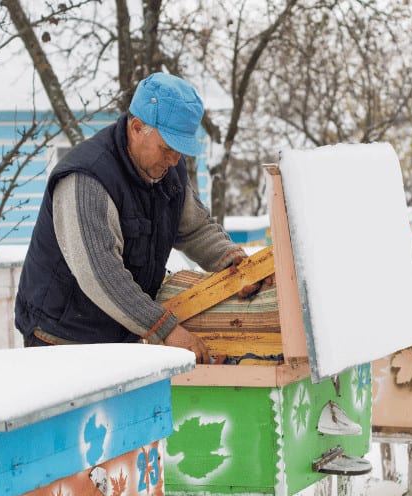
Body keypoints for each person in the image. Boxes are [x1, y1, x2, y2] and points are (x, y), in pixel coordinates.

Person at [14, 72, 260, 363]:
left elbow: (194, 229)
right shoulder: (87, 179)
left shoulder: (169, 170)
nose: (174, 160)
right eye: (167, 148)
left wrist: (233, 262)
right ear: (136, 127)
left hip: (121, 335)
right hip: (62, 341)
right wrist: (164, 328)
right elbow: (101, 274)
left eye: (181, 151)